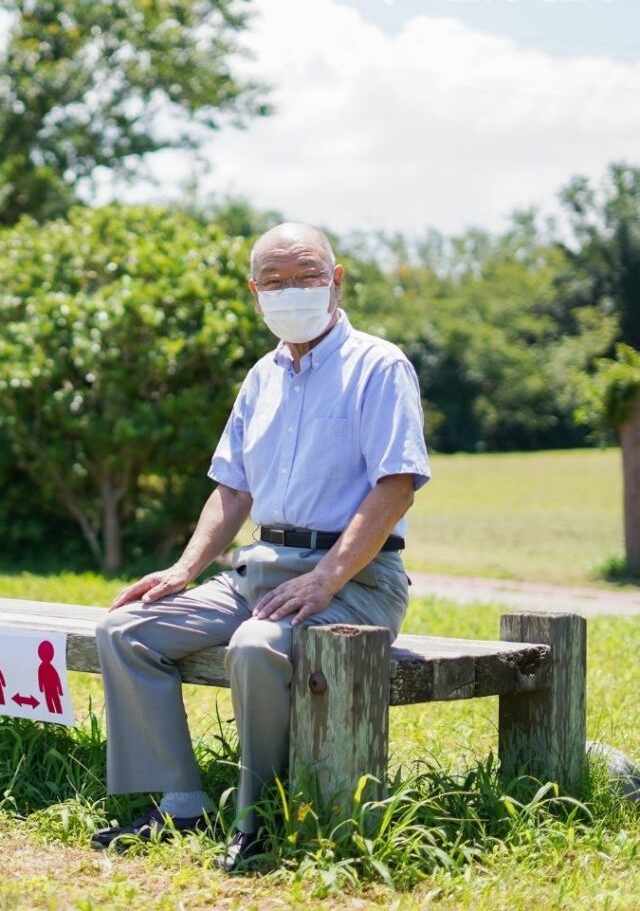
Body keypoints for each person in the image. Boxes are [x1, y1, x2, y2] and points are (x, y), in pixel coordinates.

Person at [91, 222, 430, 870]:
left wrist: (326, 579)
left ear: (336, 281)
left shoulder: (378, 366)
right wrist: (183, 569)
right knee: (125, 629)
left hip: (355, 579)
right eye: (274, 281)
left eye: (306, 276)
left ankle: (260, 819)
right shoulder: (261, 377)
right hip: (259, 572)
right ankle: (181, 802)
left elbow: (396, 488)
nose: (291, 291)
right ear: (255, 292)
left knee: (253, 646)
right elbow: (231, 490)